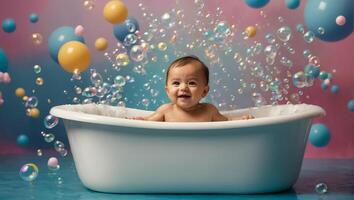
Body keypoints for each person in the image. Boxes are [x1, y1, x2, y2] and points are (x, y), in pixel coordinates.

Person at [135, 55, 254, 122]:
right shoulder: (165, 111)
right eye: (176, 83)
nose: (183, 88)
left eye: (191, 83)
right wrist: (137, 120)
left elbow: (227, 122)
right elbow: (147, 122)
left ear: (204, 91)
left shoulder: (209, 111)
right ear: (167, 90)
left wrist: (241, 119)